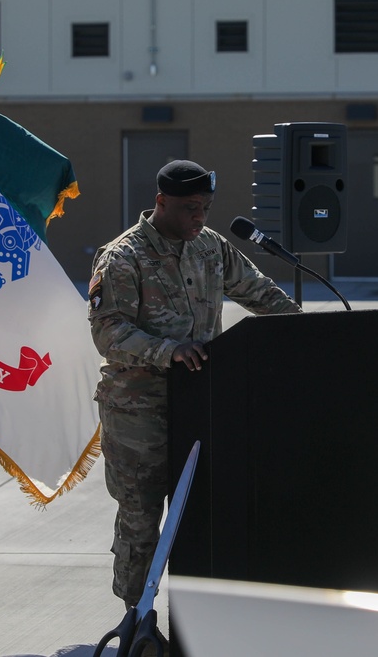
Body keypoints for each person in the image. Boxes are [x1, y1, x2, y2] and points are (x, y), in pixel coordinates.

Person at [87, 159, 302, 621]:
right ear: (161, 202)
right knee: (142, 516)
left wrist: (306, 329)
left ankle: (203, 618)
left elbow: (258, 292)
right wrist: (169, 350)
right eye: (190, 209)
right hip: (139, 411)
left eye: (205, 208)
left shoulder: (210, 248)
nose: (199, 218)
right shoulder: (123, 257)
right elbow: (108, 332)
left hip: (204, 401)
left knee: (206, 511)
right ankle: (135, 614)